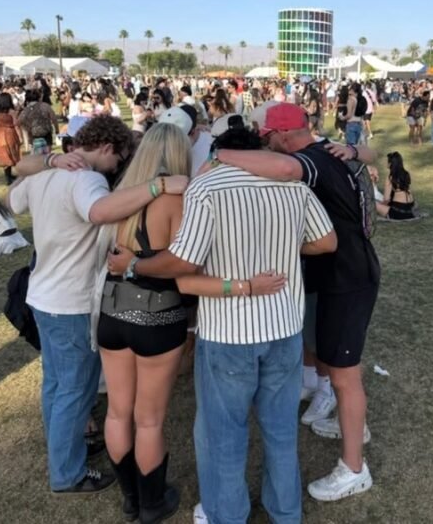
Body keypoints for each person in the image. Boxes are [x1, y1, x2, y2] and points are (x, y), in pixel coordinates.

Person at [115, 123, 337, 523]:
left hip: (227, 333)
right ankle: (286, 514)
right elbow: (326, 242)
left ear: (220, 152)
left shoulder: (207, 188)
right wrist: (283, 243)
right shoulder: (294, 189)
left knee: (225, 437)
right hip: (285, 326)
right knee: (281, 432)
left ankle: (228, 516)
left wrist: (134, 264)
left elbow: (182, 264)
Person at [8, 114, 189, 496]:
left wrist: (48, 161)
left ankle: (61, 449)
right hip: (71, 298)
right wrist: (158, 186)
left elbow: (13, 196)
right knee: (76, 389)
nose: (118, 167)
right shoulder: (88, 178)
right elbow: (99, 212)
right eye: (118, 158)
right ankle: (67, 472)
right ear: (106, 147)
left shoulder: (48, 172)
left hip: (42, 293)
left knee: (56, 384)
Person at [217, 103, 381, 503]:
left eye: (270, 136)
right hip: (349, 270)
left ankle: (354, 469)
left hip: (348, 277)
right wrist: (358, 152)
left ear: (285, 135)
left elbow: (289, 171)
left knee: (344, 372)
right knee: (335, 361)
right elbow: (369, 155)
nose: (268, 143)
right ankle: (352, 425)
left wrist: (220, 154)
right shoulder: (330, 149)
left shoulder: (306, 160)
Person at [92, 123, 192, 523]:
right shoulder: (177, 201)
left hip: (112, 314)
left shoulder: (121, 196)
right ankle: (152, 503)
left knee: (118, 413)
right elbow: (184, 263)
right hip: (158, 314)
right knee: (148, 419)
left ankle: (131, 499)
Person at [0, 92, 22, 183]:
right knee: (12, 153)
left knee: (4, 155)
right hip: (9, 134)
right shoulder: (11, 112)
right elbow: (16, 125)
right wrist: (20, 136)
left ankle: (8, 176)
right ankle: (12, 176)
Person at [375, 152, 417, 220]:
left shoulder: (390, 177)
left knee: (373, 204)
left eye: (387, 162)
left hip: (398, 212)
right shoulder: (406, 174)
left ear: (390, 163)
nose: (386, 163)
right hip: (410, 210)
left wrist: (381, 206)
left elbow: (386, 199)